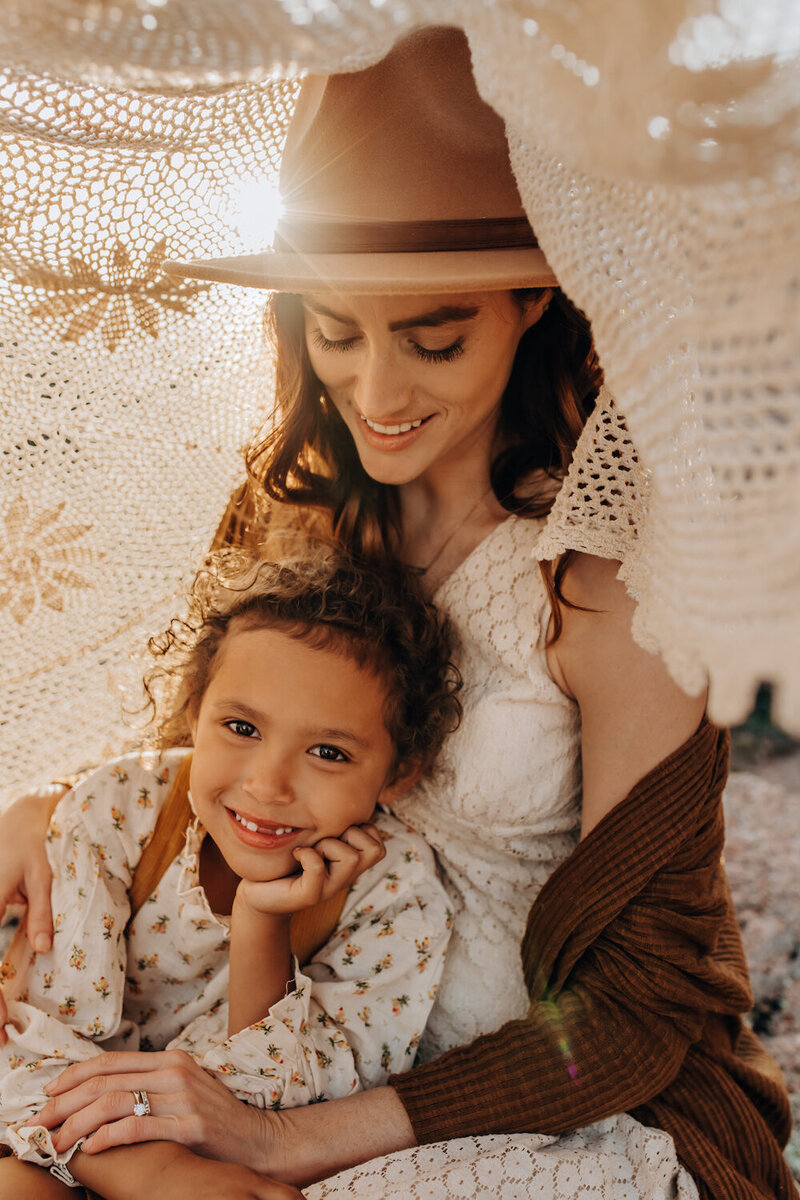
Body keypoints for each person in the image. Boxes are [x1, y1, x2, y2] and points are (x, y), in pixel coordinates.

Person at [0, 25, 794, 1200]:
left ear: (533, 299)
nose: (374, 392)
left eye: (434, 337)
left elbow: (640, 1010)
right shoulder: (292, 517)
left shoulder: (603, 588)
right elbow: (212, 764)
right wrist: (48, 805)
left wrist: (284, 1143)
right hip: (267, 1033)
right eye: (335, 332)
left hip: (528, 1095)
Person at [0, 550, 459, 1198]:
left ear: (399, 773)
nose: (267, 785)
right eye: (241, 727)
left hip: (193, 1152)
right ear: (195, 711)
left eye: (328, 752)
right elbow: (29, 1036)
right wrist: (151, 1173)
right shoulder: (121, 808)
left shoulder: (396, 897)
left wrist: (261, 923)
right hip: (57, 1134)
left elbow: (284, 1106)